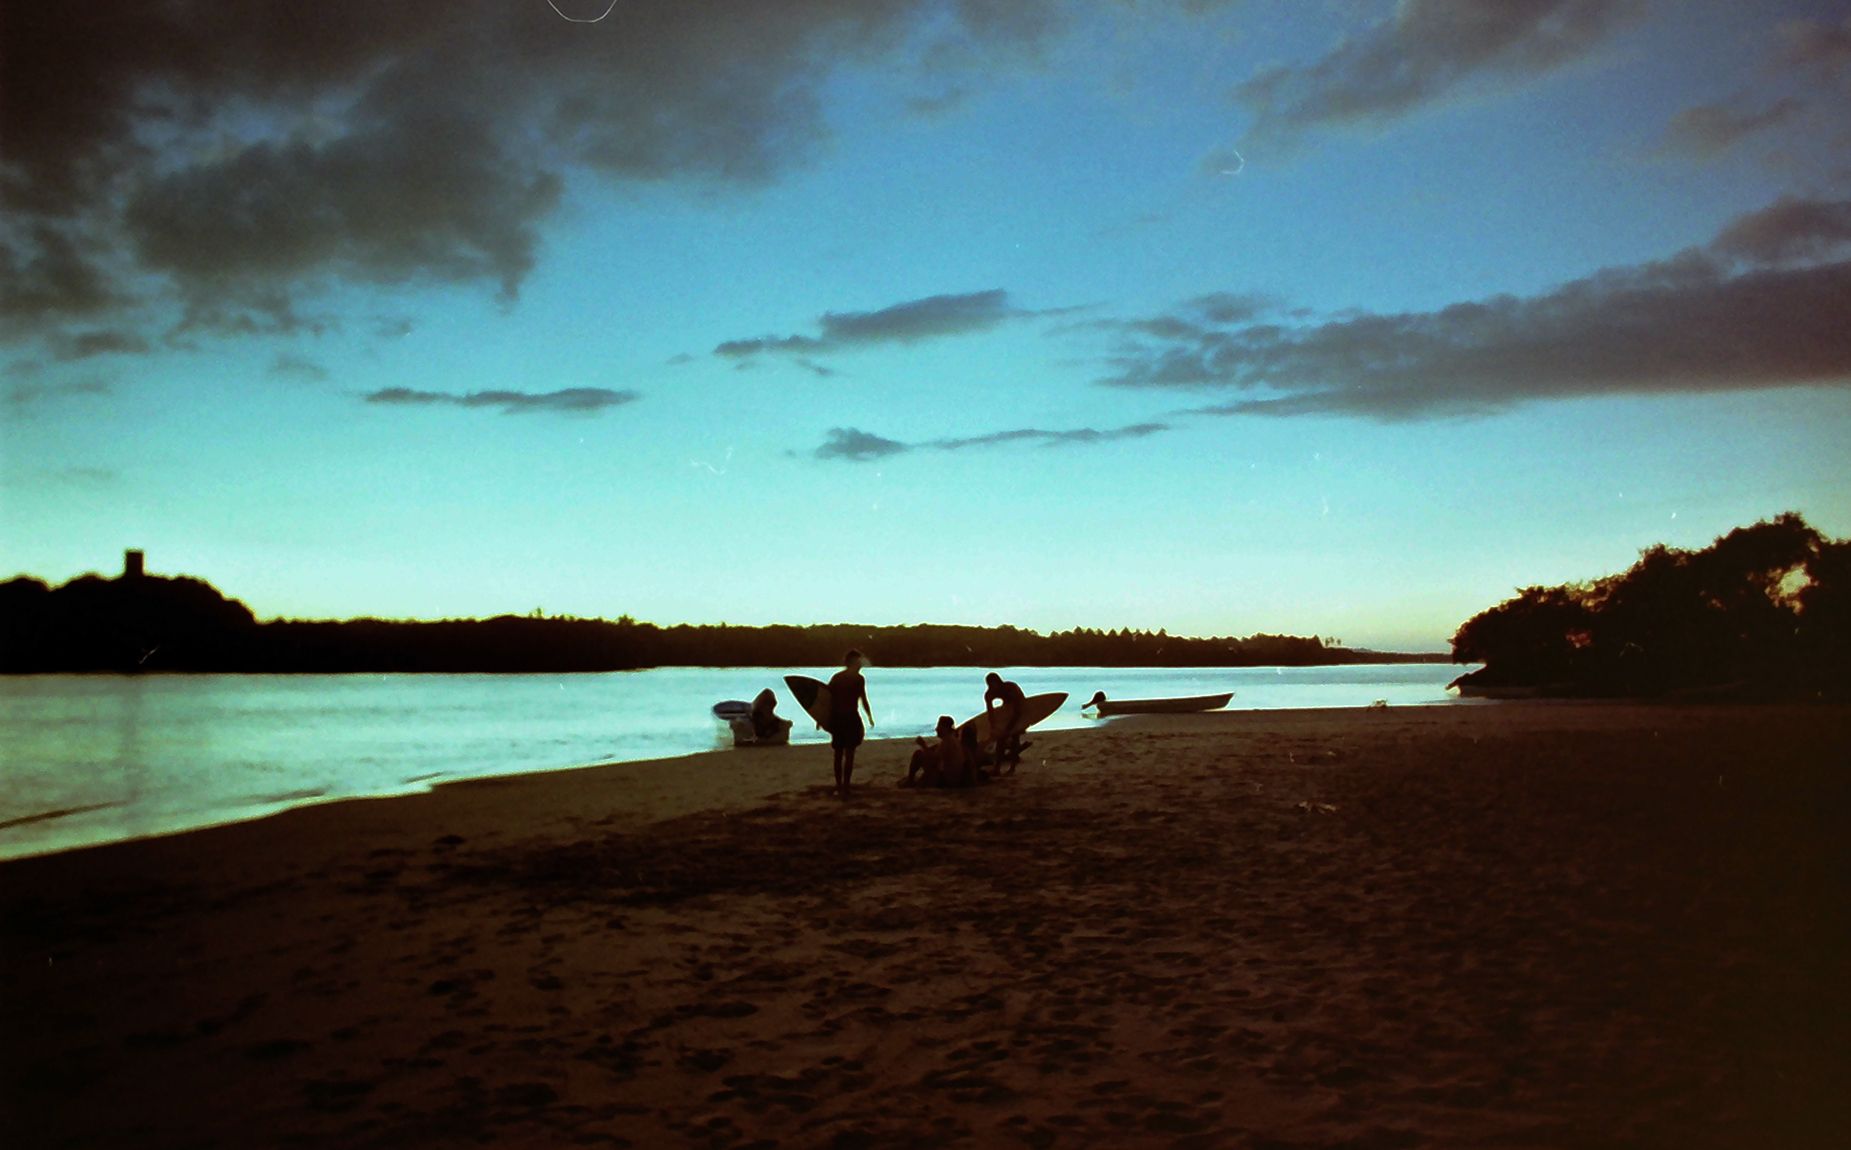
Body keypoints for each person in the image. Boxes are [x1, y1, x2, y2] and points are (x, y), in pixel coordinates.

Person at [827, 649, 873, 795]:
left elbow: (827, 698)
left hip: (838, 718)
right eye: (858, 660)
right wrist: (869, 715)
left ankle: (840, 785)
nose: (861, 663)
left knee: (839, 753)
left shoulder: (837, 677)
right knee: (848, 753)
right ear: (853, 662)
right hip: (849, 717)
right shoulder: (858, 679)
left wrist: (822, 717)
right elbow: (863, 699)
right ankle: (844, 786)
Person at [906, 715, 970, 788]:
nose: (936, 729)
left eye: (939, 726)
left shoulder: (948, 741)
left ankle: (910, 781)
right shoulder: (952, 740)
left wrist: (923, 745)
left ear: (945, 728)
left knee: (918, 754)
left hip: (948, 780)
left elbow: (934, 759)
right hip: (953, 778)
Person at [983, 671, 1026, 773]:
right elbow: (990, 713)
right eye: (989, 685)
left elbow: (1017, 711)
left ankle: (1012, 768)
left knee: (1015, 737)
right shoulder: (989, 693)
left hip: (1019, 706)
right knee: (1000, 739)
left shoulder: (1010, 688)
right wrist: (994, 727)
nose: (991, 687)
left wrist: (1009, 728)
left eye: (993, 684)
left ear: (998, 682)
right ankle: (997, 768)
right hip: (1006, 707)